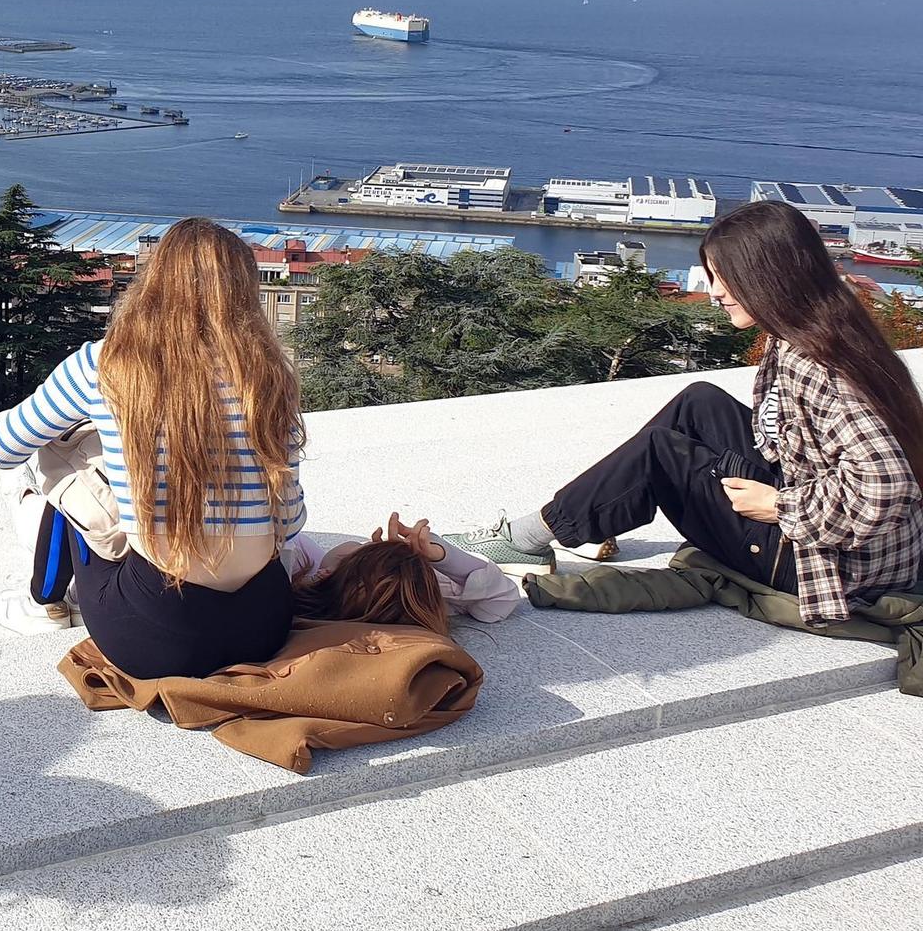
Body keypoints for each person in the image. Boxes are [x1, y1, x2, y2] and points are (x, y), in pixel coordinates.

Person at [445, 201, 923, 627]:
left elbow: (886, 484)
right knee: (700, 401)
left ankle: (526, 539)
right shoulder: (827, 321)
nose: (713, 292)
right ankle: (592, 518)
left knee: (661, 454)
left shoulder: (817, 362)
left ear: (768, 276)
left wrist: (777, 506)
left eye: (722, 277)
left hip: (826, 566)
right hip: (864, 545)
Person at [0, 217, 307, 680]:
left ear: (152, 283)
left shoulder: (105, 363)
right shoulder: (271, 375)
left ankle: (43, 603)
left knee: (67, 456)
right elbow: (289, 520)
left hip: (156, 636)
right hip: (264, 626)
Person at [286, 513, 519, 626]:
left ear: (326, 574)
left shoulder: (297, 554)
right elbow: (502, 598)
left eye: (361, 548)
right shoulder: (402, 601)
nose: (362, 544)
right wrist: (443, 558)